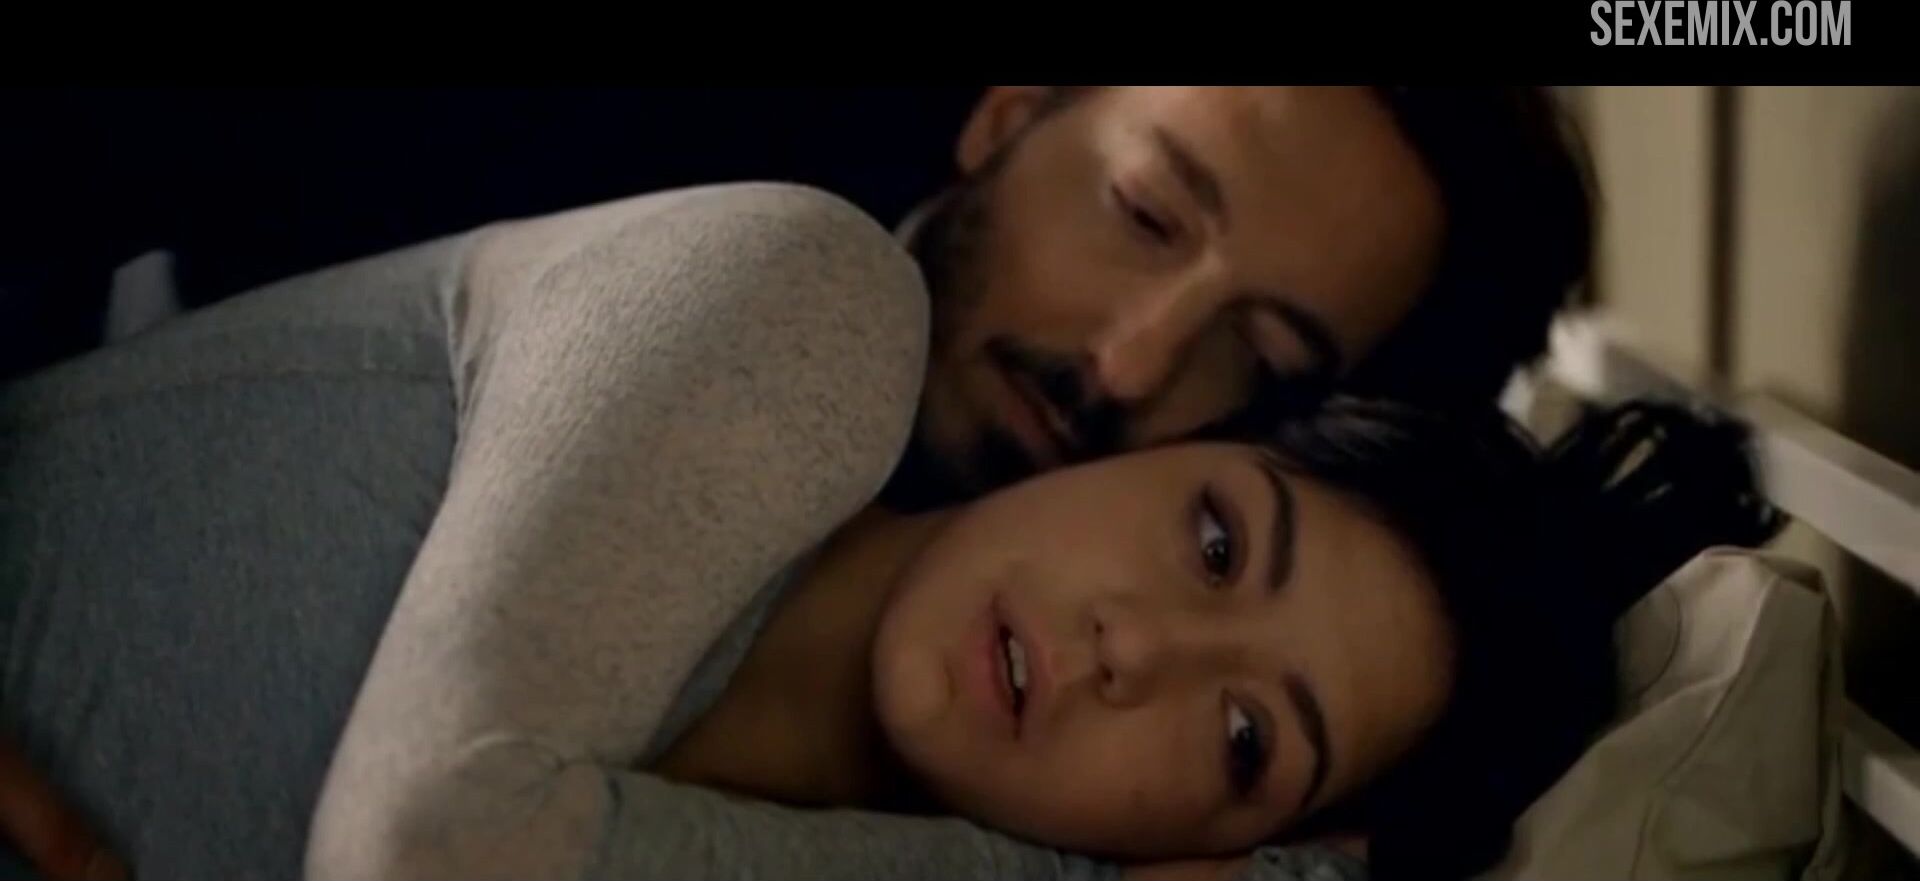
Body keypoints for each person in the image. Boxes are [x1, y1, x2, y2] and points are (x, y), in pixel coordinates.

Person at [0, 179, 1772, 881]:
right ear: (1174, 444)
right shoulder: (812, 306)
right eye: (1219, 543)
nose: (1135, 647)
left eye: (1245, 740)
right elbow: (428, 853)